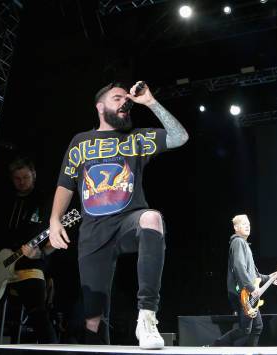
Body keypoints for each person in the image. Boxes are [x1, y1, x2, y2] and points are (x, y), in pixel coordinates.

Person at [48, 81, 188, 349]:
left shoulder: (137, 138)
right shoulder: (81, 142)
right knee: (93, 319)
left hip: (128, 222)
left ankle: (147, 317)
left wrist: (150, 102)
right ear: (100, 107)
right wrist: (55, 220)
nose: (125, 102)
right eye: (117, 98)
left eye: (128, 99)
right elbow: (65, 184)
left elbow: (180, 138)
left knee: (152, 218)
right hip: (93, 232)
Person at [0, 157, 58, 344]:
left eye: (25, 177)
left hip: (29, 265)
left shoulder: (46, 201)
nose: (21, 182)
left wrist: (40, 254)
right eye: (17, 178)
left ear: (33, 175)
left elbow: (56, 239)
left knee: (38, 314)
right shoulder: (3, 201)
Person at [213, 214, 277, 347]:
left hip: (249, 292)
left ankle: (251, 351)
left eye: (249, 224)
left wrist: (269, 278)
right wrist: (251, 288)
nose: (247, 226)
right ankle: (216, 345)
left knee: (256, 327)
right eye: (244, 224)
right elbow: (239, 267)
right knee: (246, 329)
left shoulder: (244, 244)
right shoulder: (238, 242)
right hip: (243, 293)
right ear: (236, 227)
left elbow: (253, 274)